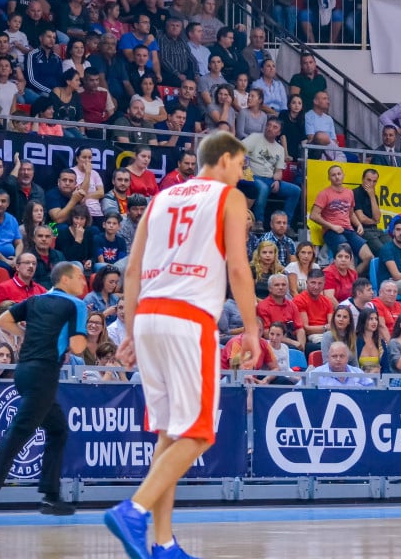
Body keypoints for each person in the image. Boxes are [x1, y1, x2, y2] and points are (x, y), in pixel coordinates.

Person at [105, 132, 259, 559]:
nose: (243, 173)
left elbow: (132, 270)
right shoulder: (228, 198)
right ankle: (133, 509)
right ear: (224, 159)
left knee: (170, 434)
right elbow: (238, 268)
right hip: (188, 318)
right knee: (199, 433)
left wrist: (132, 330)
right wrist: (252, 327)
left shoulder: (159, 199)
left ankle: (164, 542)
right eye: (241, 164)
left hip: (151, 314)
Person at [0, 262, 87, 526]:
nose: (83, 281)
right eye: (79, 277)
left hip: (23, 371)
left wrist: (28, 333)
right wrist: (67, 337)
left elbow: (2, 320)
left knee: (57, 430)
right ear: (65, 279)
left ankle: (50, 495)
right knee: (19, 433)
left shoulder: (35, 300)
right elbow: (79, 348)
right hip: (44, 374)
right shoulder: (75, 305)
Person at [309, 165, 373, 274]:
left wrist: (359, 225)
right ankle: (352, 285)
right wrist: (332, 226)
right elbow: (313, 215)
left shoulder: (349, 192)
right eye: (333, 175)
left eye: (339, 174)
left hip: (349, 230)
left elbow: (351, 213)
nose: (337, 177)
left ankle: (352, 280)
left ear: (343, 175)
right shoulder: (324, 194)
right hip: (332, 232)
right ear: (329, 178)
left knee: (369, 257)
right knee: (349, 259)